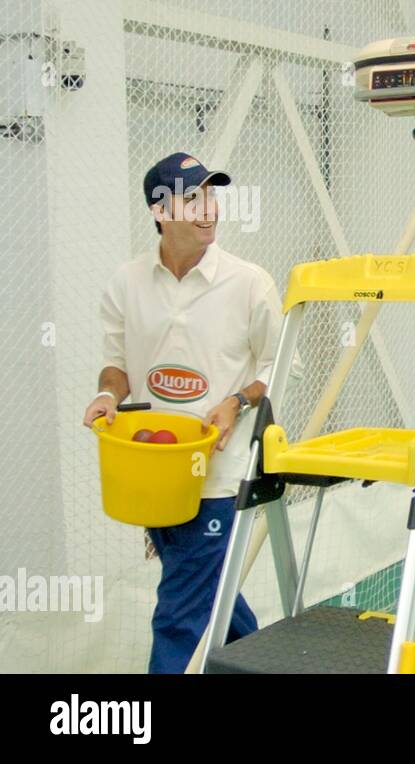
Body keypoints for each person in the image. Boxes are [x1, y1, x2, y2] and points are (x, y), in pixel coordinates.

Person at [81, 152, 281, 673]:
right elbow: (116, 365)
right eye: (191, 198)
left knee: (178, 613)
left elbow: (282, 365)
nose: (208, 210)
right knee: (210, 594)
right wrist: (107, 395)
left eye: (211, 196)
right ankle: (259, 661)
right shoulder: (126, 284)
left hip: (220, 473)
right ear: (159, 210)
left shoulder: (249, 283)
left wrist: (237, 402)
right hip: (155, 476)